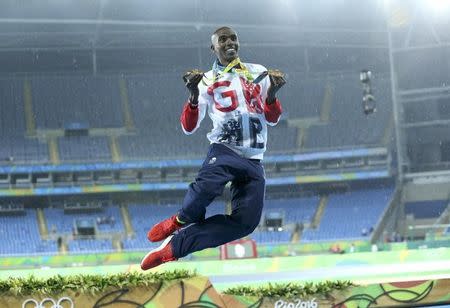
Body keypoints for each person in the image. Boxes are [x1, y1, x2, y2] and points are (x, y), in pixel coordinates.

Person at [140, 26, 286, 270]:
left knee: (245, 223)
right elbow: (189, 127)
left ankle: (175, 246)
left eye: (233, 38)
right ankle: (179, 220)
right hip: (225, 150)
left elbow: (272, 118)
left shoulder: (259, 72)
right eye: (223, 39)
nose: (229, 42)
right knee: (204, 190)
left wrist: (272, 95)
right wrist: (193, 96)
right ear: (213, 47)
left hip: (254, 158)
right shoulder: (205, 80)